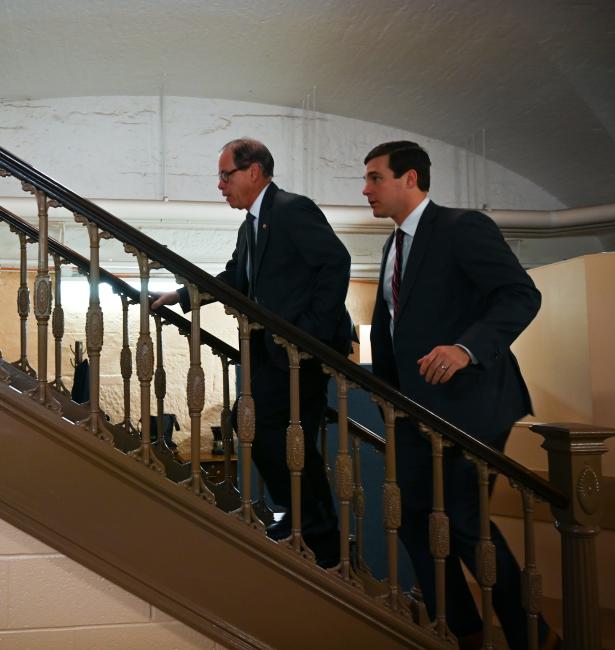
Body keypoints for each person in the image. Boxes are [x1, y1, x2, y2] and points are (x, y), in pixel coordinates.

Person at [363, 140, 558, 650]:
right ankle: (463, 631)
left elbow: (521, 294)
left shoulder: (461, 227)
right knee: (411, 519)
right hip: (414, 407)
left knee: (466, 523)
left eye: (375, 178)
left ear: (410, 179)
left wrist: (467, 348)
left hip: (473, 403)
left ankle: (534, 637)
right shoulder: (392, 246)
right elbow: (392, 329)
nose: (366, 190)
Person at [152, 138, 354, 566]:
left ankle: (322, 535)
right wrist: (182, 295)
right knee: (264, 434)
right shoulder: (251, 226)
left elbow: (335, 263)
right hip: (273, 353)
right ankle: (303, 520)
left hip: (303, 353)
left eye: (226, 175)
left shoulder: (291, 209)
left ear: (255, 172)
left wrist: (310, 333)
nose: (221, 185)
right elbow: (235, 279)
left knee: (277, 436)